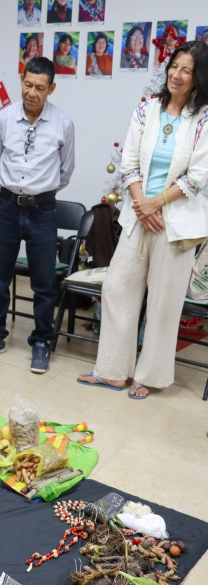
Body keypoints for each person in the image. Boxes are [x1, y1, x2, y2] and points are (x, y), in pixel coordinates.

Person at [78, 41, 208, 399]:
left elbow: (197, 177)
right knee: (117, 288)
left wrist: (156, 204)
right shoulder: (147, 109)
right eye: (174, 66)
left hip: (175, 224)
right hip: (140, 218)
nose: (177, 75)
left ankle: (149, 376)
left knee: (164, 303)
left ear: (198, 79)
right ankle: (113, 371)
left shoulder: (204, 118)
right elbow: (129, 163)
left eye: (187, 70)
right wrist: (141, 204)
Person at [0, 57, 75, 373]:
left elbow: (65, 171)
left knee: (44, 281)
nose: (32, 92)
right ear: (22, 80)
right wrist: (14, 190)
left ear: (51, 88)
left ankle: (41, 342)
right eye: (27, 84)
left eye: (40, 88)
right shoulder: (3, 119)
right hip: (6, 207)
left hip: (44, 209)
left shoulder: (63, 124)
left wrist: (39, 192)